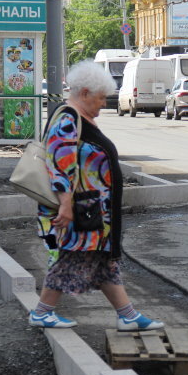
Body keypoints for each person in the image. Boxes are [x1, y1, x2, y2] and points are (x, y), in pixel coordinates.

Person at [30, 61, 164, 332]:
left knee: (104, 264)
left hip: (92, 211)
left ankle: (127, 315)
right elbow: (59, 164)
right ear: (85, 93)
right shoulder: (68, 119)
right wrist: (65, 205)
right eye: (101, 98)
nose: (104, 104)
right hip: (80, 211)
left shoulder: (80, 119)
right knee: (71, 259)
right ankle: (42, 312)